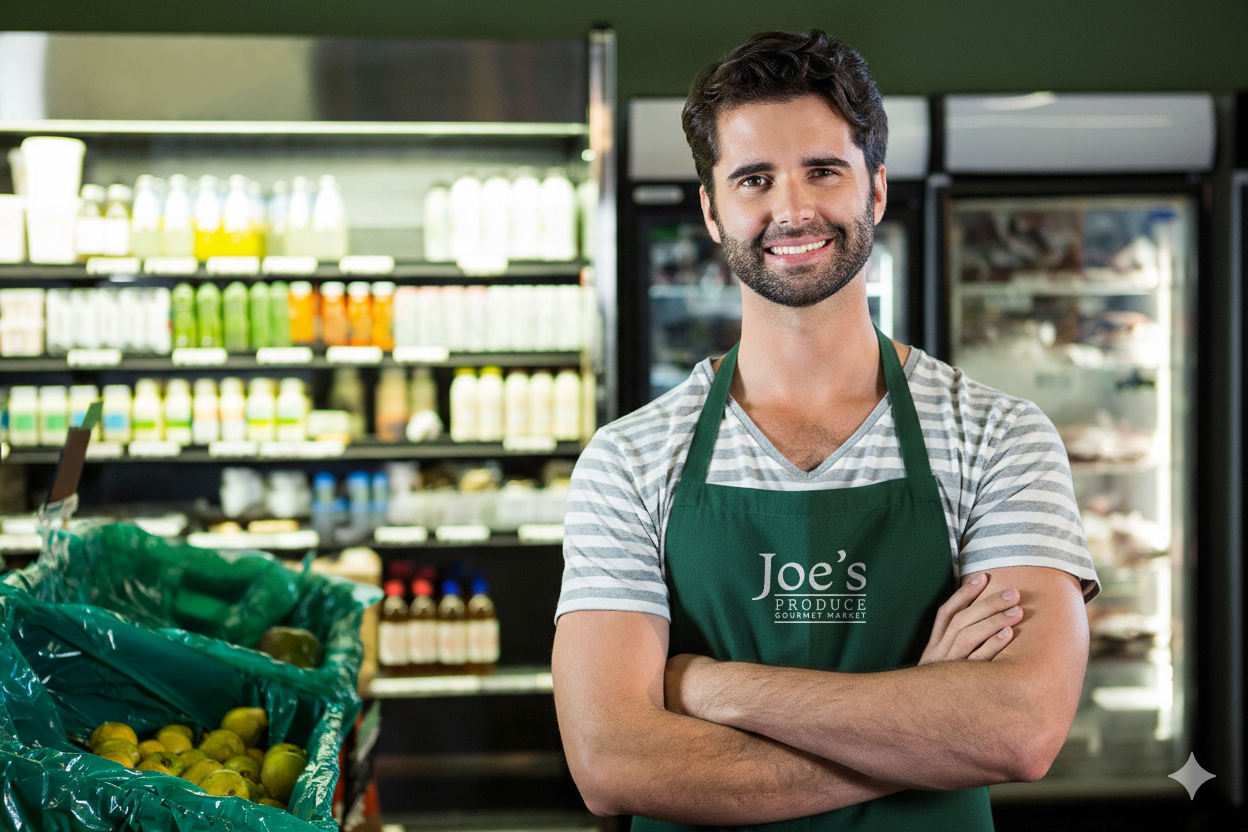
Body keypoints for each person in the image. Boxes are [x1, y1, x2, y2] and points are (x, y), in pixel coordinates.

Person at [552, 28, 1099, 832]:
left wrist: (709, 687)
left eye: (823, 171)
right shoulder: (628, 460)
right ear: (712, 209)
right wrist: (925, 720)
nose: (793, 208)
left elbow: (1018, 730)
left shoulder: (999, 436)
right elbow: (611, 762)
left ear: (874, 190)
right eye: (754, 179)